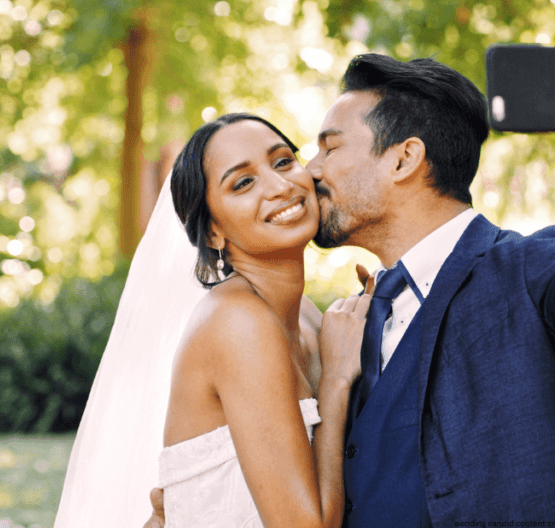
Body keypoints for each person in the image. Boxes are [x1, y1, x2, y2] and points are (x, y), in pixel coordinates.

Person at [144, 33, 555, 527]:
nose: (308, 172)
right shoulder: (347, 321)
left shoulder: (528, 274)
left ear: (404, 159)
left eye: (327, 149)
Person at [54, 114, 368, 527]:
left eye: (282, 161)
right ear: (213, 233)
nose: (280, 186)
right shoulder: (238, 322)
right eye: (243, 183)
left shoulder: (306, 315)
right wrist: (337, 379)